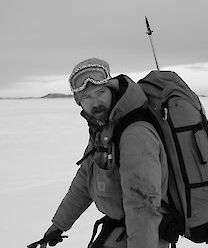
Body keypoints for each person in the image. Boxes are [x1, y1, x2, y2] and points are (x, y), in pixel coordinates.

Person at [40, 58, 169, 248]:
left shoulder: (134, 135)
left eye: (100, 92)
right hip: (120, 230)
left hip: (143, 235)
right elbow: (86, 179)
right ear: (79, 102)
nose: (96, 102)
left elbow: (143, 206)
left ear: (111, 89)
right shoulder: (104, 130)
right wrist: (59, 225)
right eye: (87, 98)